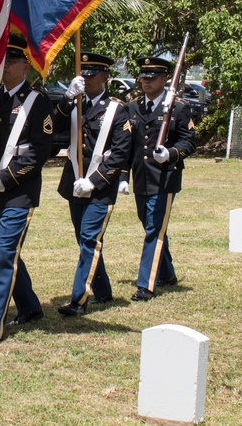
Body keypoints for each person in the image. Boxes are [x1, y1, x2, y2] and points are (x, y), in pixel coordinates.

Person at [0, 33, 53, 346]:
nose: (5, 65)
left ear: (26, 67)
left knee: (5, 253)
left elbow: (40, 150)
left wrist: (7, 177)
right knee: (3, 251)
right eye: (2, 59)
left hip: (19, 190)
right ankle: (30, 306)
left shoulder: (38, 101)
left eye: (13, 60)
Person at [51, 52, 131, 316]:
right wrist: (65, 99)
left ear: (105, 76)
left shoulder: (117, 109)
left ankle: (79, 299)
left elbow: (120, 154)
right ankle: (103, 291)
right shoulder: (74, 102)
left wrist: (94, 181)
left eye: (91, 74)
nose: (85, 78)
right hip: (74, 181)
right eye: (82, 73)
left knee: (89, 238)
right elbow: (51, 128)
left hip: (100, 187)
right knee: (85, 239)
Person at [125, 56, 196, 302]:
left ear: (165, 79)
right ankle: (167, 273)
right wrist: (124, 175)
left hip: (165, 178)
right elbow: (127, 146)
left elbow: (189, 141)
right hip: (141, 177)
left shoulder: (177, 108)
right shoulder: (133, 108)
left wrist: (172, 153)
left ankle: (147, 284)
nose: (146, 81)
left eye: (152, 77)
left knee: (154, 229)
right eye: (143, 77)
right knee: (149, 224)